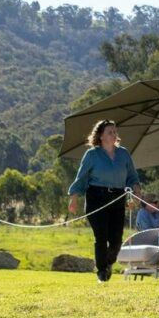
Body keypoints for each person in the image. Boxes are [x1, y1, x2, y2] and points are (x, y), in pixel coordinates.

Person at [66, 119, 142, 282]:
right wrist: (74, 198)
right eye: (110, 132)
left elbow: (132, 177)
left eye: (115, 131)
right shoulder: (92, 155)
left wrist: (136, 191)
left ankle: (107, 262)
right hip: (96, 198)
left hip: (118, 198)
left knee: (116, 240)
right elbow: (81, 178)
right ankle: (101, 271)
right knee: (101, 236)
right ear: (100, 136)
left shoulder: (124, 154)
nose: (114, 134)